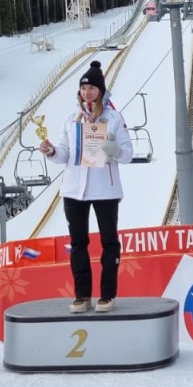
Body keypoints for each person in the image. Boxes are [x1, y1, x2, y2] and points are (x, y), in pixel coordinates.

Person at [42, 60, 133, 314]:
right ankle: (82, 296)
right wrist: (51, 151)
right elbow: (64, 153)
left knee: (109, 242)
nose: (87, 93)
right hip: (74, 190)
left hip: (105, 189)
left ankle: (107, 295)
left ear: (101, 91)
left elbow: (127, 153)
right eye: (84, 89)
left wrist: (111, 148)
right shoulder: (71, 119)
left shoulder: (114, 118)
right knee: (78, 243)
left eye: (92, 88)